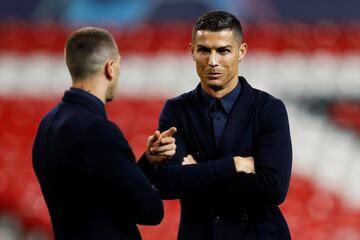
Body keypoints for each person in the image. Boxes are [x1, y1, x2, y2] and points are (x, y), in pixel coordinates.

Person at [138, 10, 292, 239]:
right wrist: (234, 165)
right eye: (204, 50)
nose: (212, 61)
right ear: (192, 51)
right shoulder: (177, 110)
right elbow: (167, 183)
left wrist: (195, 174)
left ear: (241, 52)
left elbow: (273, 188)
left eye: (223, 51)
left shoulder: (269, 109)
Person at [32, 27, 177, 240]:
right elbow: (150, 211)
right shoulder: (97, 131)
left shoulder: (48, 124)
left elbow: (101, 196)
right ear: (110, 68)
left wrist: (149, 162)